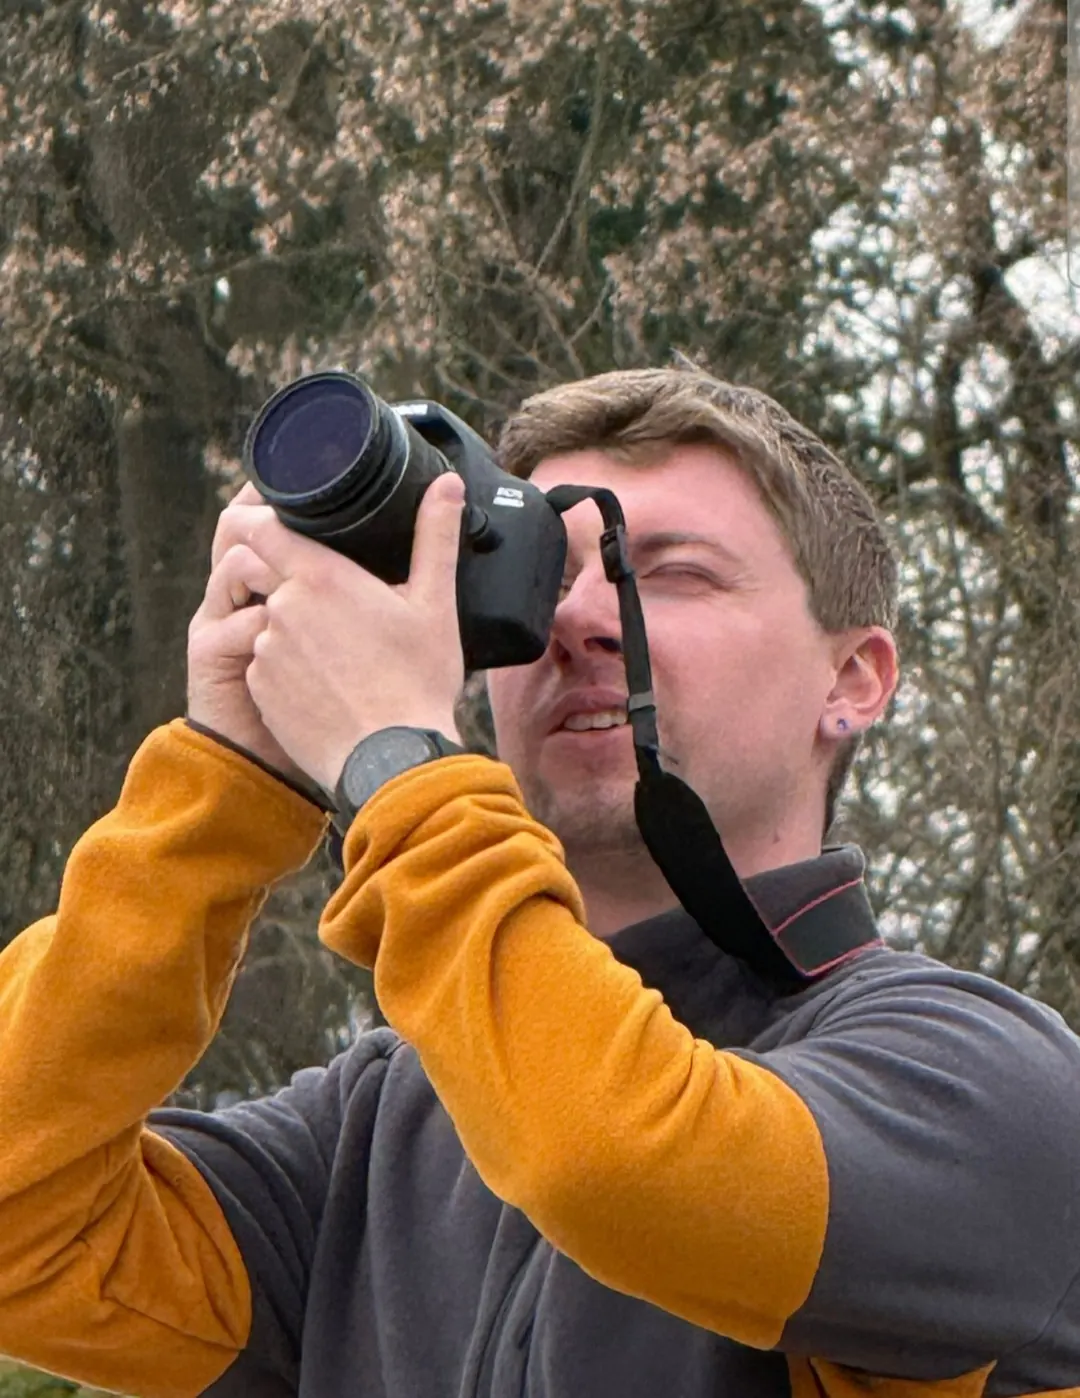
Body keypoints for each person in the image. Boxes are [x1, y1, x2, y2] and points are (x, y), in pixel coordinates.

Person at [0, 365, 1078, 1398]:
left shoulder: (984, 1086)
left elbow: (608, 1156)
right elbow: (21, 1228)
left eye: (670, 572)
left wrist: (396, 761)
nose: (581, 619)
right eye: (541, 577)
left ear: (854, 681)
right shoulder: (376, 1141)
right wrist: (230, 774)